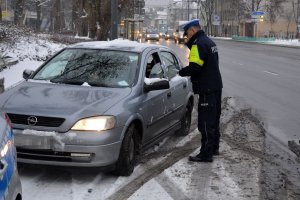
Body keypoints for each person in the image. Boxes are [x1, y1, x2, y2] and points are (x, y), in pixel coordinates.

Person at [178, 19, 223, 162]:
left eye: (187, 34)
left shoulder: (198, 45)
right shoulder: (209, 42)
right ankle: (214, 148)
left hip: (206, 88)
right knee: (214, 120)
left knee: (205, 123)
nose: (187, 37)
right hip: (216, 87)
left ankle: (206, 154)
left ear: (192, 30)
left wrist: (180, 72)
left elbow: (195, 68)